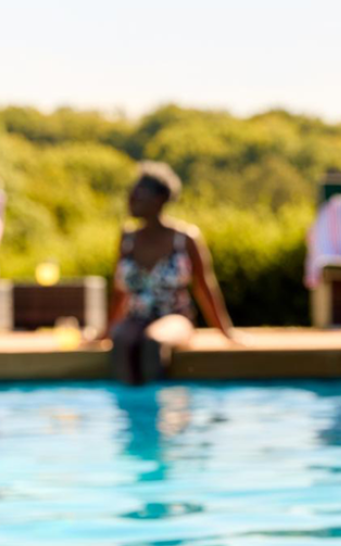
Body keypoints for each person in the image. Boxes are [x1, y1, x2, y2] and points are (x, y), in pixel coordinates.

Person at [100, 161, 239, 384]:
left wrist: (226, 332)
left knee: (152, 341)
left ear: (159, 199)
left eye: (138, 194)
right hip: (137, 318)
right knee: (122, 339)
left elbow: (205, 288)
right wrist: (105, 331)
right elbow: (119, 292)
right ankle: (129, 408)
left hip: (175, 317)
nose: (131, 199)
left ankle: (158, 406)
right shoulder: (127, 239)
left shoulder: (185, 239)